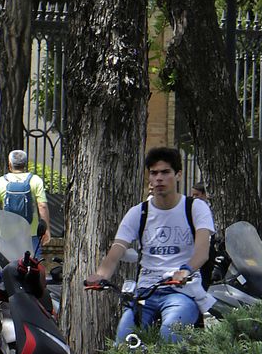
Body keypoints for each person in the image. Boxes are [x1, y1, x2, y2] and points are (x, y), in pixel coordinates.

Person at [86, 145, 213, 342]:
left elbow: (202, 252)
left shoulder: (195, 208)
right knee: (124, 339)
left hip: (182, 291)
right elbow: (117, 250)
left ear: (178, 175)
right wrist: (100, 275)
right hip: (145, 291)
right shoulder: (139, 212)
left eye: (165, 172)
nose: (159, 178)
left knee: (170, 333)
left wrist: (185, 270)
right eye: (154, 173)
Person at [0, 149, 50, 255]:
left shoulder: (1, 181)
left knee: (9, 263)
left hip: (6, 234)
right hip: (30, 233)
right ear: (25, 164)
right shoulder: (35, 180)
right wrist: (46, 229)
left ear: (10, 164)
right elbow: (42, 206)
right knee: (32, 263)